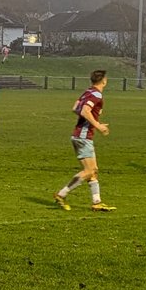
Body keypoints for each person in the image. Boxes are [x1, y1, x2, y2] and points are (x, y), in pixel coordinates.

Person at [54, 69, 113, 211]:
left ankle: (96, 202)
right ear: (104, 80)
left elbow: (75, 108)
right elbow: (85, 111)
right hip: (83, 136)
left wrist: (89, 119)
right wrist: (97, 125)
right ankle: (61, 194)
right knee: (89, 170)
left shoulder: (88, 92)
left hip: (80, 135)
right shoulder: (97, 95)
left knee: (93, 171)